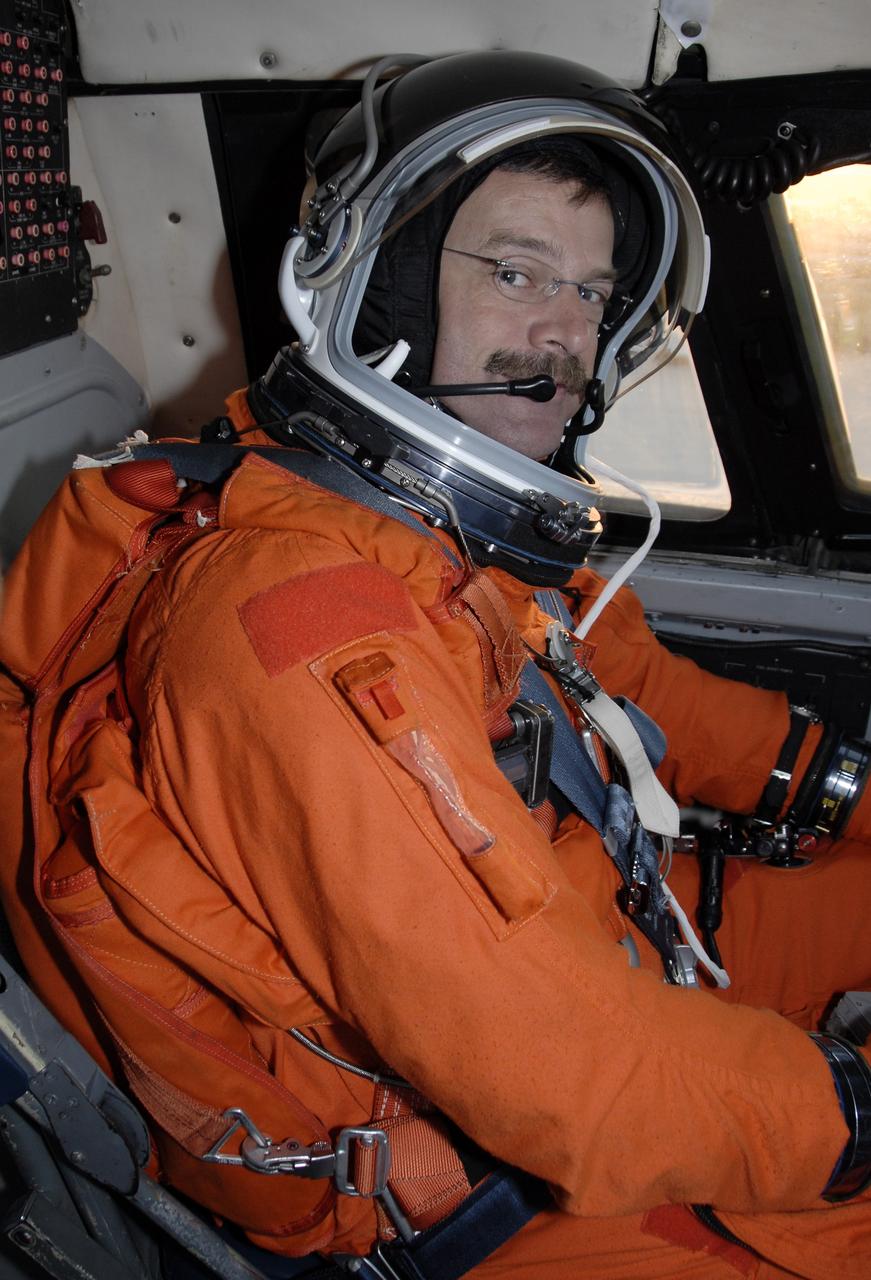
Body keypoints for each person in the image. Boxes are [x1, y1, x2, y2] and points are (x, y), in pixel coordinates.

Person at [0, 50, 869, 1280]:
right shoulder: (302, 630)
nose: (564, 333)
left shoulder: (418, 518)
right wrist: (842, 1118)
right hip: (478, 1181)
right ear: (384, 288)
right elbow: (575, 1074)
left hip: (594, 935)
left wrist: (835, 782)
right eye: (515, 273)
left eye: (589, 292)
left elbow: (628, 691)